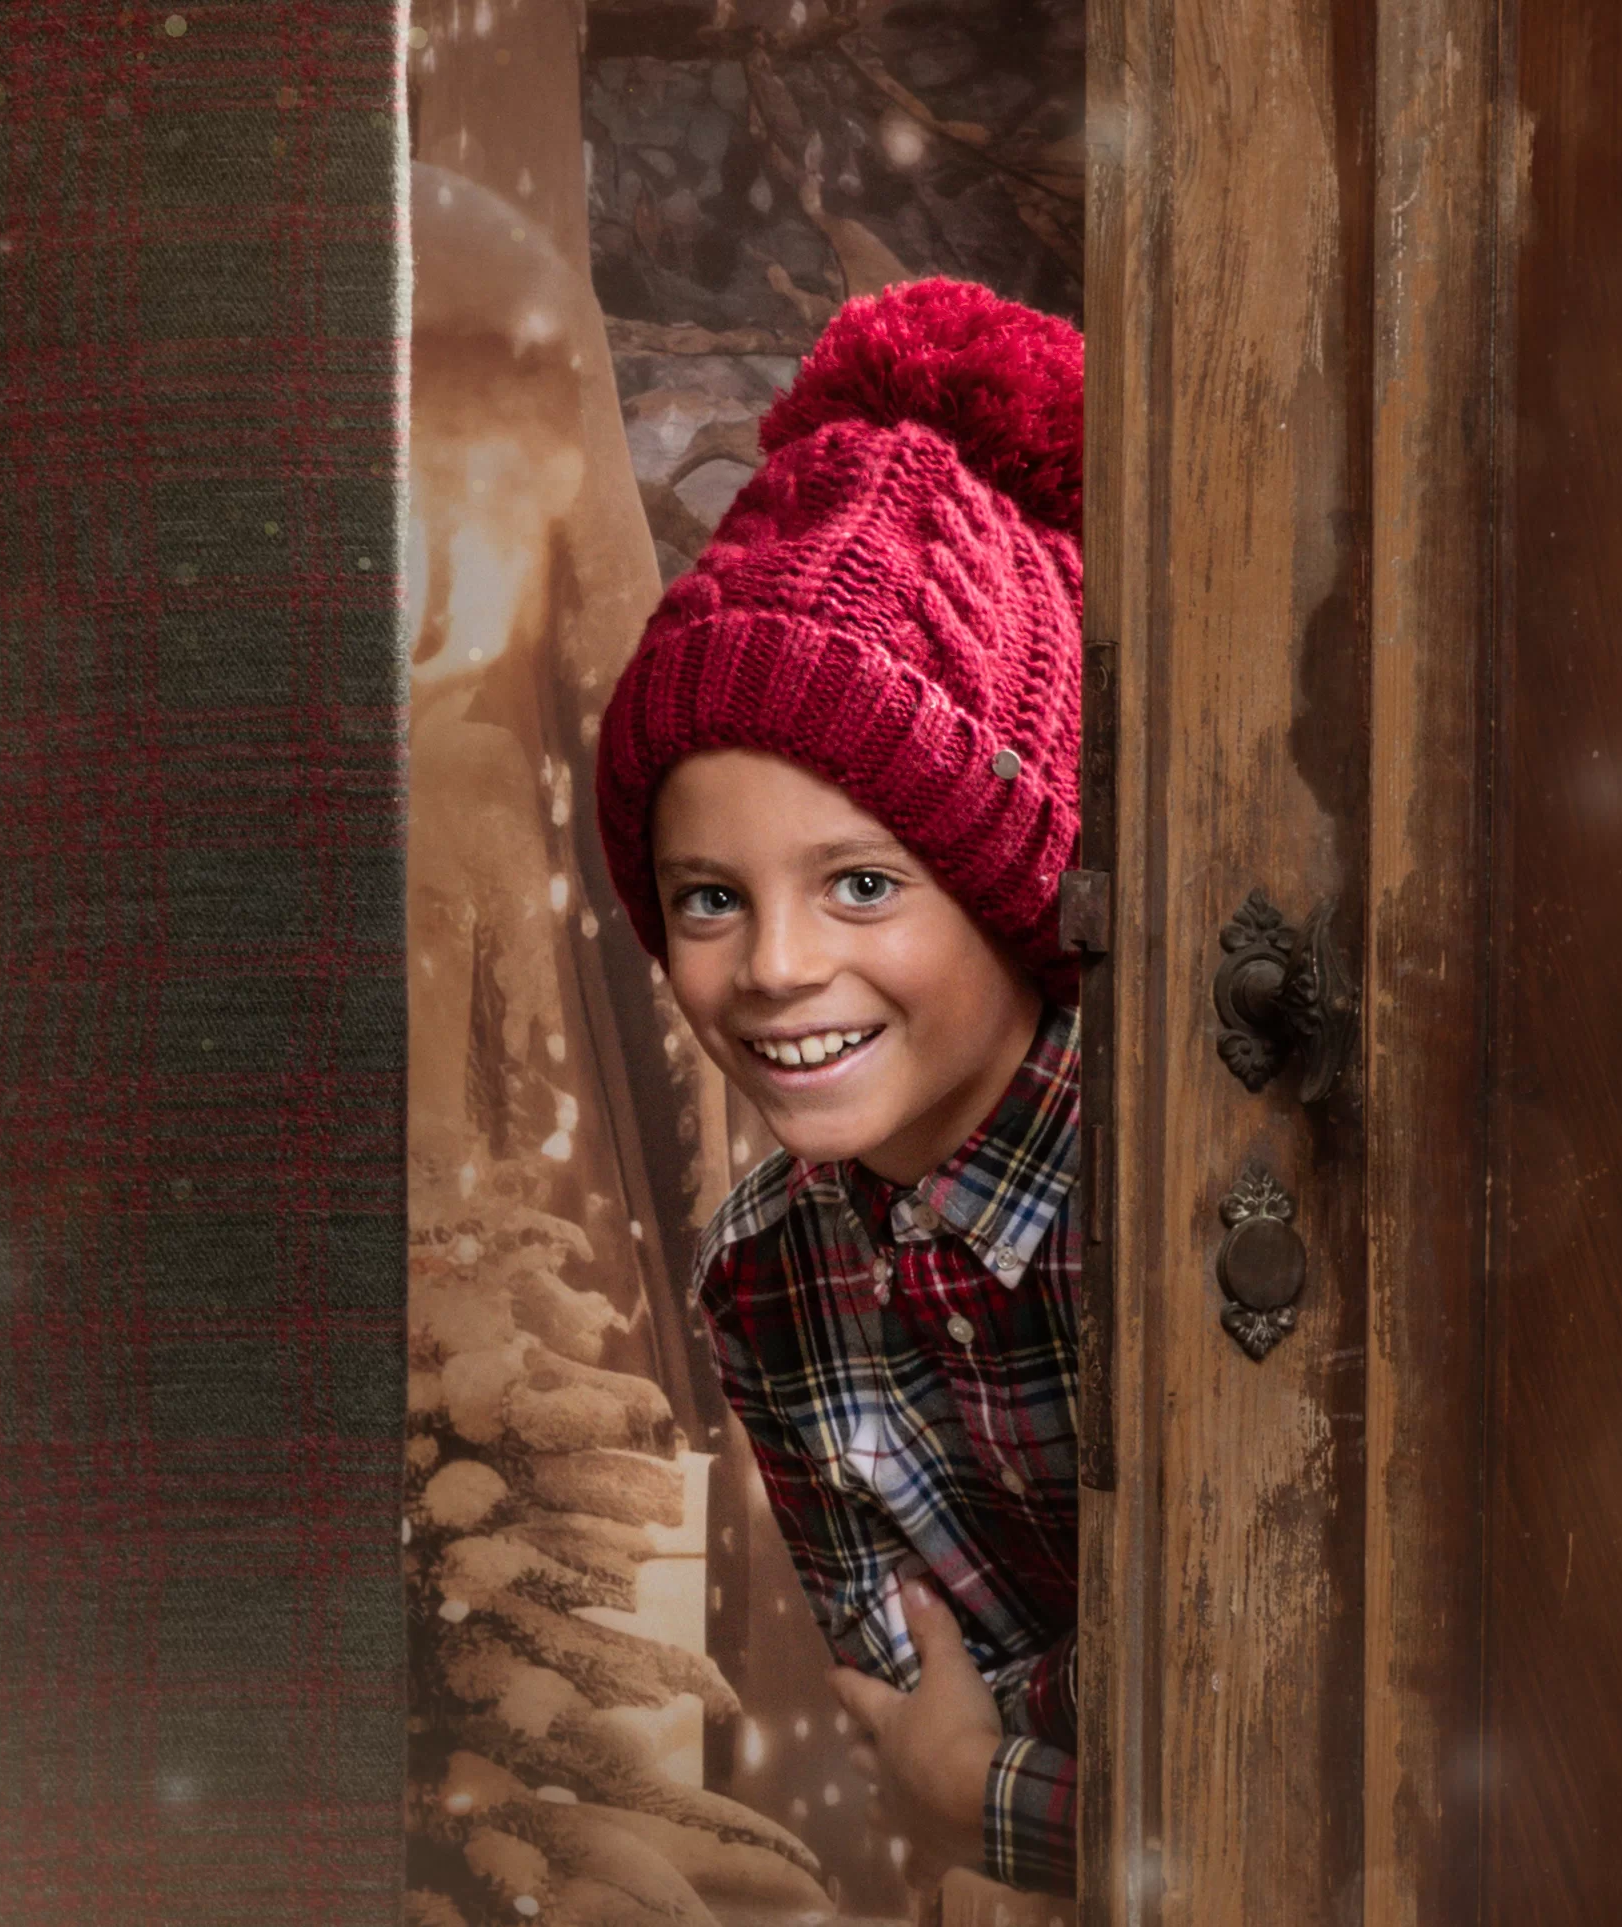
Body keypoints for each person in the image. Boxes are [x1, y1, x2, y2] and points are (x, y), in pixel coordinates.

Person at [593, 276, 1085, 1896]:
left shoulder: (1167, 1187)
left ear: (1005, 882)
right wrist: (987, 1794)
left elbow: (1282, 1729)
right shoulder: (765, 1280)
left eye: (862, 884)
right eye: (708, 897)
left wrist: (995, 1802)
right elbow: (929, 1716)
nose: (778, 967)